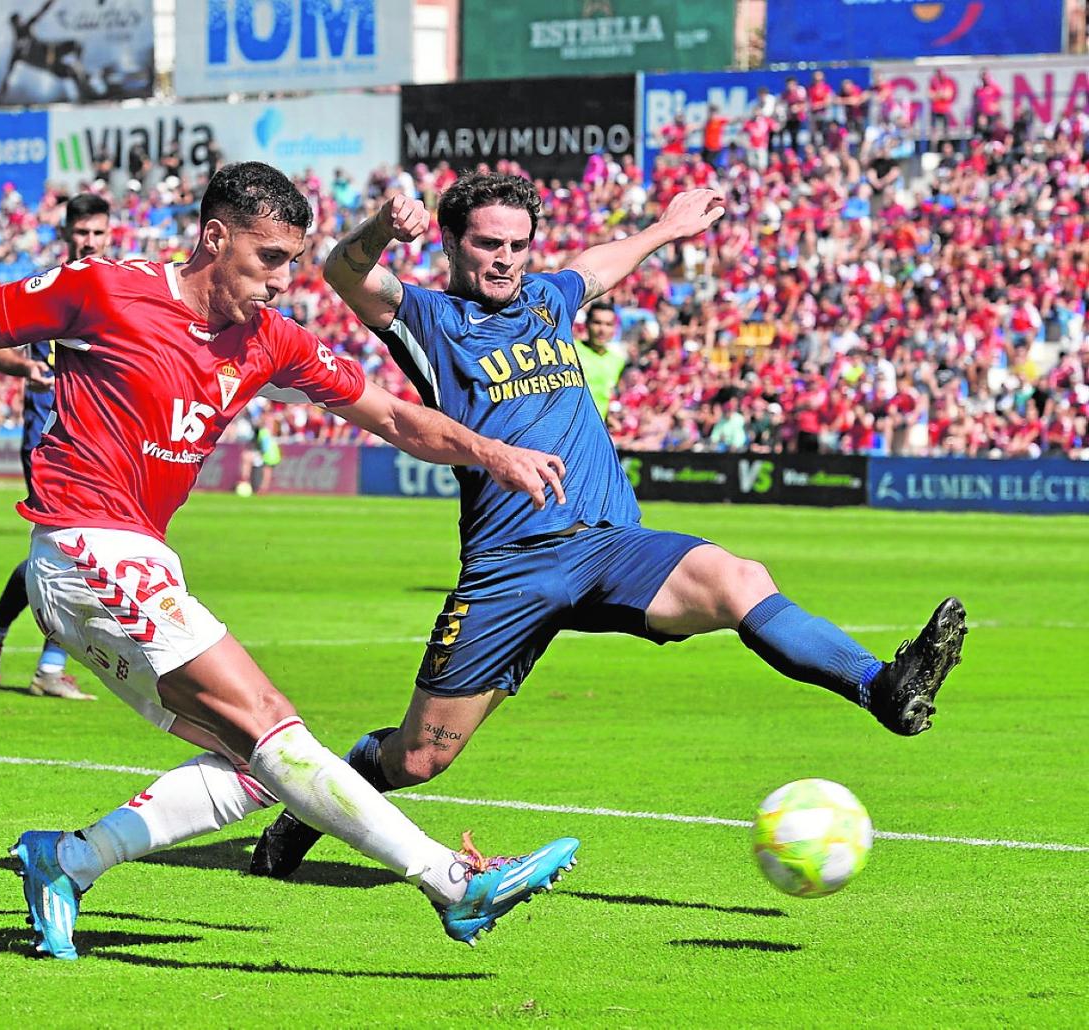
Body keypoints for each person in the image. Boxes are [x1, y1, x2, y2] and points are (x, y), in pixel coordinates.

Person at [0, 162, 579, 960]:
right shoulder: (107, 289)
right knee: (270, 727)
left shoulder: (269, 340)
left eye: (293, 259)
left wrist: (492, 450)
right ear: (214, 238)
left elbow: (392, 414)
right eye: (269, 258)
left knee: (255, 767)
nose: (284, 280)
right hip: (85, 544)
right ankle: (453, 884)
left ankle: (67, 860)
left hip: (137, 560)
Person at [248, 172, 968, 879]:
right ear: (450, 243)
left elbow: (595, 267)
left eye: (519, 245)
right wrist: (379, 228)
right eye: (489, 243)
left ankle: (882, 687)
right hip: (511, 568)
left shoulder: (546, 299)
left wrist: (666, 229)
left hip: (612, 544)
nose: (505, 258)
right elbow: (347, 272)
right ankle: (306, 810)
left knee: (739, 578)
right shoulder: (431, 320)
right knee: (419, 758)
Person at [0, 193, 112, 700]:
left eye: (97, 233)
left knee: (88, 555)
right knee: (69, 551)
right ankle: (5, 636)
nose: (89, 242)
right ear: (66, 233)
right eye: (81, 233)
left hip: (102, 439)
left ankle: (33, 653)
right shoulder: (45, 288)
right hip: (47, 438)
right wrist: (27, 367)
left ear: (109, 233)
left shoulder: (120, 287)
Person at [576, 302, 627, 419]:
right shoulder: (571, 351)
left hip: (597, 430)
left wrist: (610, 419)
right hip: (571, 428)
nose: (602, 330)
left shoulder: (617, 361)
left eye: (608, 324)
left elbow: (605, 396)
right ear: (587, 324)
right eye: (597, 323)